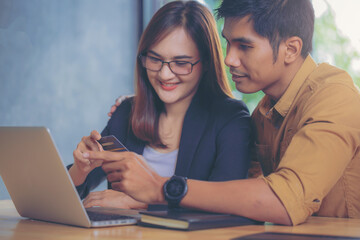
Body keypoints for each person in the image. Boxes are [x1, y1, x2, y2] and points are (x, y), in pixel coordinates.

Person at [84, 0, 360, 225]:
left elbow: (284, 201)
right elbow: (232, 197)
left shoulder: (335, 95)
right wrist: (149, 98)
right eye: (228, 43)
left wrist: (159, 188)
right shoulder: (264, 114)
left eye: (245, 46)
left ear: (291, 49)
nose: (229, 58)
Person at [68, 0, 251, 209]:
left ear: (207, 62)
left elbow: (228, 206)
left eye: (181, 63)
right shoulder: (127, 112)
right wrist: (79, 170)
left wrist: (141, 204)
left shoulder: (231, 120)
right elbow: (64, 195)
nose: (164, 74)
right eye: (155, 59)